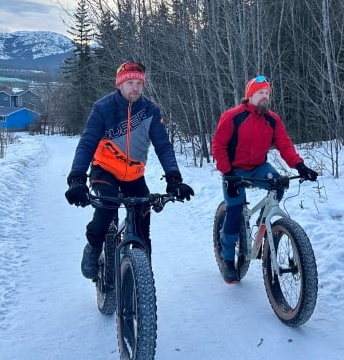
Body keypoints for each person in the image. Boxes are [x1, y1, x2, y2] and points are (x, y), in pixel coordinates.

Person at [65, 61, 194, 280]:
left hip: (134, 175)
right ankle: (94, 247)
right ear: (120, 84)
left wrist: (174, 178)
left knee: (143, 217)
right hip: (104, 170)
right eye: (130, 83)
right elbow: (87, 143)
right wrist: (77, 178)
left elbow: (163, 146)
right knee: (107, 206)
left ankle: (142, 278)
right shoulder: (103, 107)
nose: (135, 88)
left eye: (139, 83)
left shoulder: (150, 111)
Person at [211, 75, 318, 284]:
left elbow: (284, 145)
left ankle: (262, 222)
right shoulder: (233, 117)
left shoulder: (273, 119)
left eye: (267, 94)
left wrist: (300, 165)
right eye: (261, 93)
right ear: (250, 95)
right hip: (233, 171)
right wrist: (228, 174)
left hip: (259, 167)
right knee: (234, 210)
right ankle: (227, 260)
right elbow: (218, 146)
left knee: (278, 184)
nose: (265, 97)